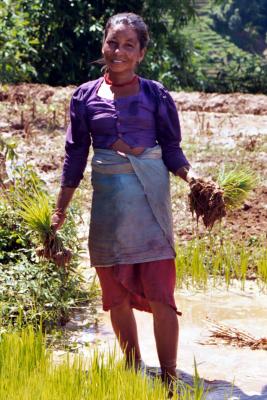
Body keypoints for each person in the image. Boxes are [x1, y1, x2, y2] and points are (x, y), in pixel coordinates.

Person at [51, 12, 198, 390]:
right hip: (109, 208)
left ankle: (168, 379)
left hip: (149, 205)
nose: (118, 51)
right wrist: (60, 208)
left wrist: (194, 180)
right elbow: (75, 155)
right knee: (114, 292)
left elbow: (171, 149)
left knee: (161, 294)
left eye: (128, 45)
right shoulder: (84, 96)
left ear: (141, 53)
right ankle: (133, 372)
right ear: (103, 45)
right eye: (113, 43)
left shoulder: (155, 94)